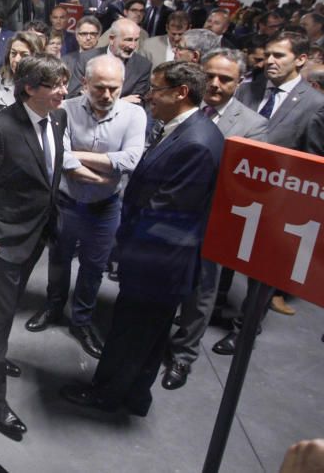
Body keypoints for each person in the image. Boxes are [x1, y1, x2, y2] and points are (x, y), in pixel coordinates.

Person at [61, 61, 223, 417]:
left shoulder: (196, 142)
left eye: (158, 90)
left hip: (157, 261)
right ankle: (136, 396)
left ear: (181, 93)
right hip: (159, 259)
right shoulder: (185, 129)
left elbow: (166, 212)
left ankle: (106, 394)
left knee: (130, 333)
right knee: (149, 335)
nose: (150, 96)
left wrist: (125, 245)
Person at [0, 54, 69, 440]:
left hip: (36, 233)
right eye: (55, 86)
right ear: (30, 88)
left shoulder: (58, 117)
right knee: (2, 317)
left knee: (7, 306)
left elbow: (49, 172)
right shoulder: (0, 129)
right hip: (2, 240)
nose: (64, 92)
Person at [25, 55, 146, 359]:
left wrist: (76, 157)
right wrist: (102, 174)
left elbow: (131, 160)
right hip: (67, 202)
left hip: (105, 208)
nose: (107, 96)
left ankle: (82, 320)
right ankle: (53, 307)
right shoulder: (63, 109)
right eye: (100, 88)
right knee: (59, 259)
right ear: (85, 83)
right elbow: (57, 157)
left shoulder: (134, 115)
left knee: (94, 267)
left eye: (114, 89)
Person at [160, 49, 266, 390]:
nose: (216, 84)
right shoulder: (180, 108)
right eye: (211, 75)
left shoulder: (252, 125)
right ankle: (152, 340)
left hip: (211, 223)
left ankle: (183, 356)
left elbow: (246, 185)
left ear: (240, 82)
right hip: (167, 216)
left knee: (201, 294)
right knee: (161, 284)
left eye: (226, 79)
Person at [213, 31, 324, 354]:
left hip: (278, 201)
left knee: (261, 271)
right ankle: (213, 308)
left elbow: (313, 162)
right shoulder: (247, 89)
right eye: (269, 55)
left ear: (301, 60)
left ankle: (244, 328)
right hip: (234, 192)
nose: (271, 62)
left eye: (280, 56)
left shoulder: (315, 104)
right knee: (223, 257)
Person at [0, 31, 45, 133]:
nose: (16, 59)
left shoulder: (45, 87)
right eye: (13, 53)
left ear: (36, 57)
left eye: (24, 55)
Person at [67, 18, 151, 102]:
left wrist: (92, 97)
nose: (132, 46)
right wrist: (121, 102)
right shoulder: (86, 59)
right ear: (111, 39)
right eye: (128, 40)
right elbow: (73, 97)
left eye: (136, 40)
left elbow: (137, 103)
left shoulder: (143, 66)